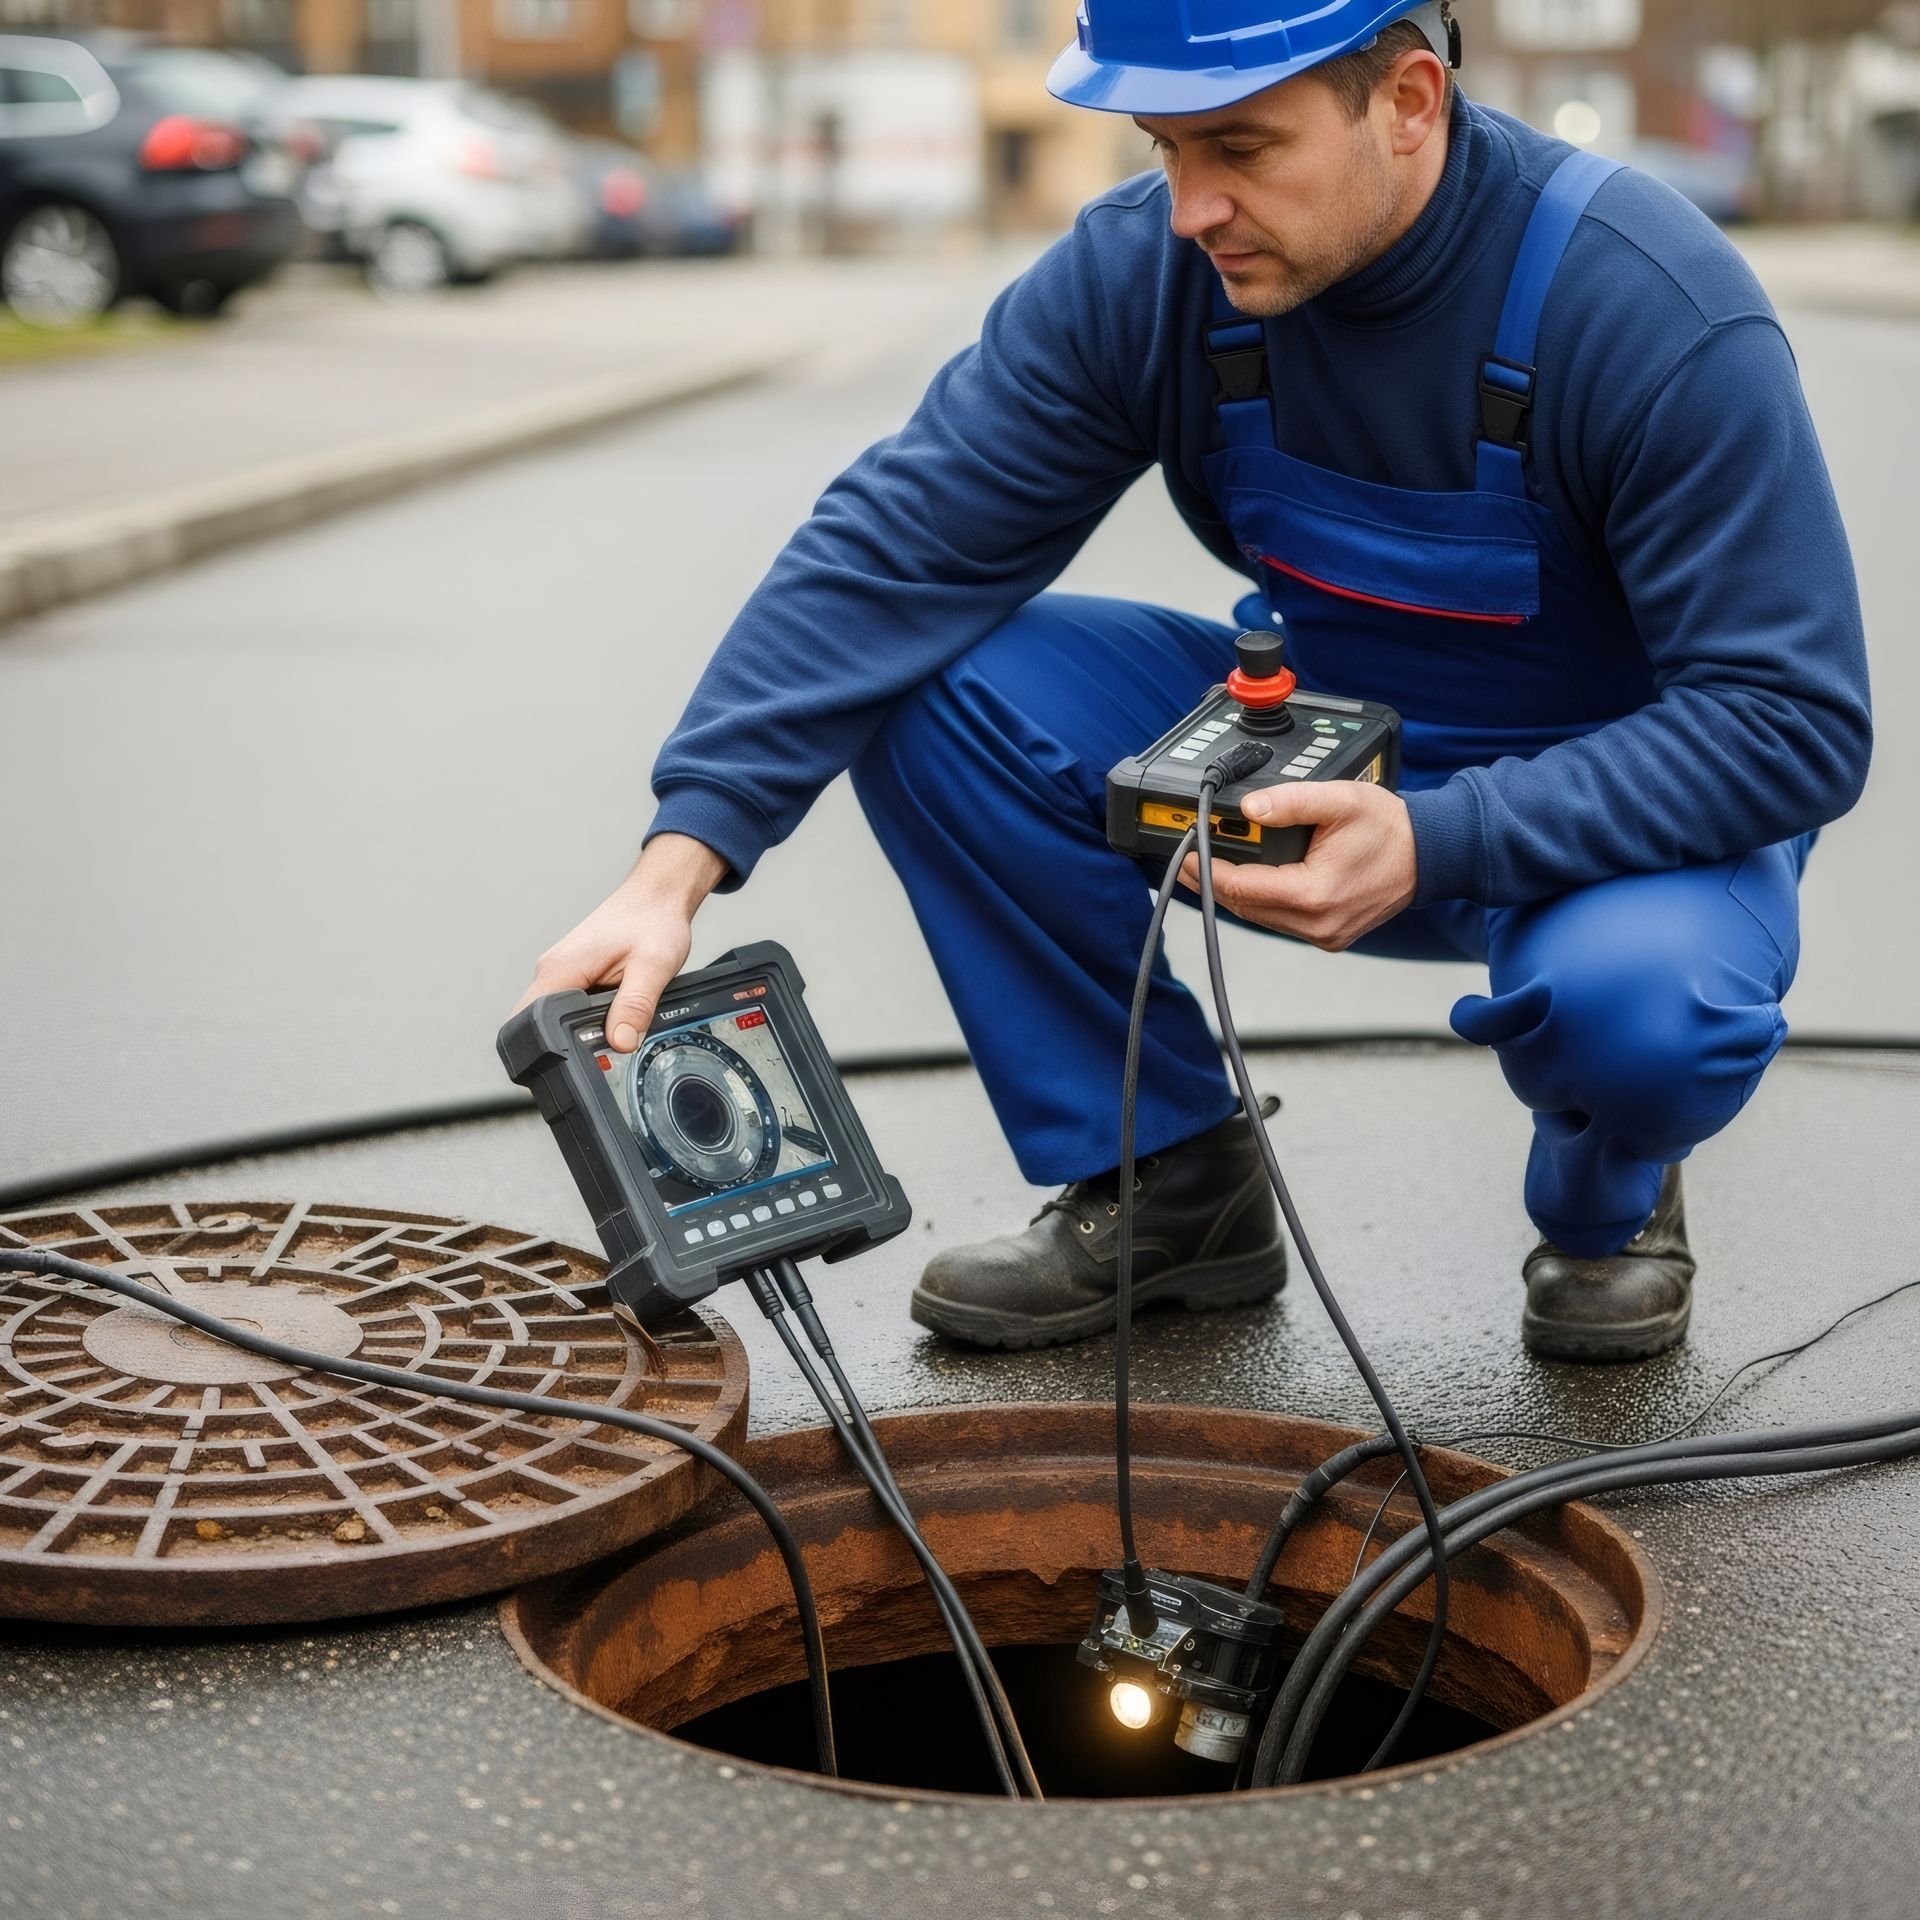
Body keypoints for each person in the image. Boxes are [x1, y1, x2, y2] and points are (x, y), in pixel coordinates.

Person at [517, 1, 1871, 1365]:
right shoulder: (1160, 278)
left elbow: (1790, 719)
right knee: (938, 689)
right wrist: (680, 854)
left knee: (1643, 1009)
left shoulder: (1644, 303)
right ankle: (1170, 1182)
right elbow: (899, 543)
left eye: (1238, 145)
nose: (1190, 208)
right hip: (1316, 758)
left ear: (1408, 100)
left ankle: (1608, 1203)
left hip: (1619, 814)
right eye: (1162, 147)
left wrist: (1449, 836)